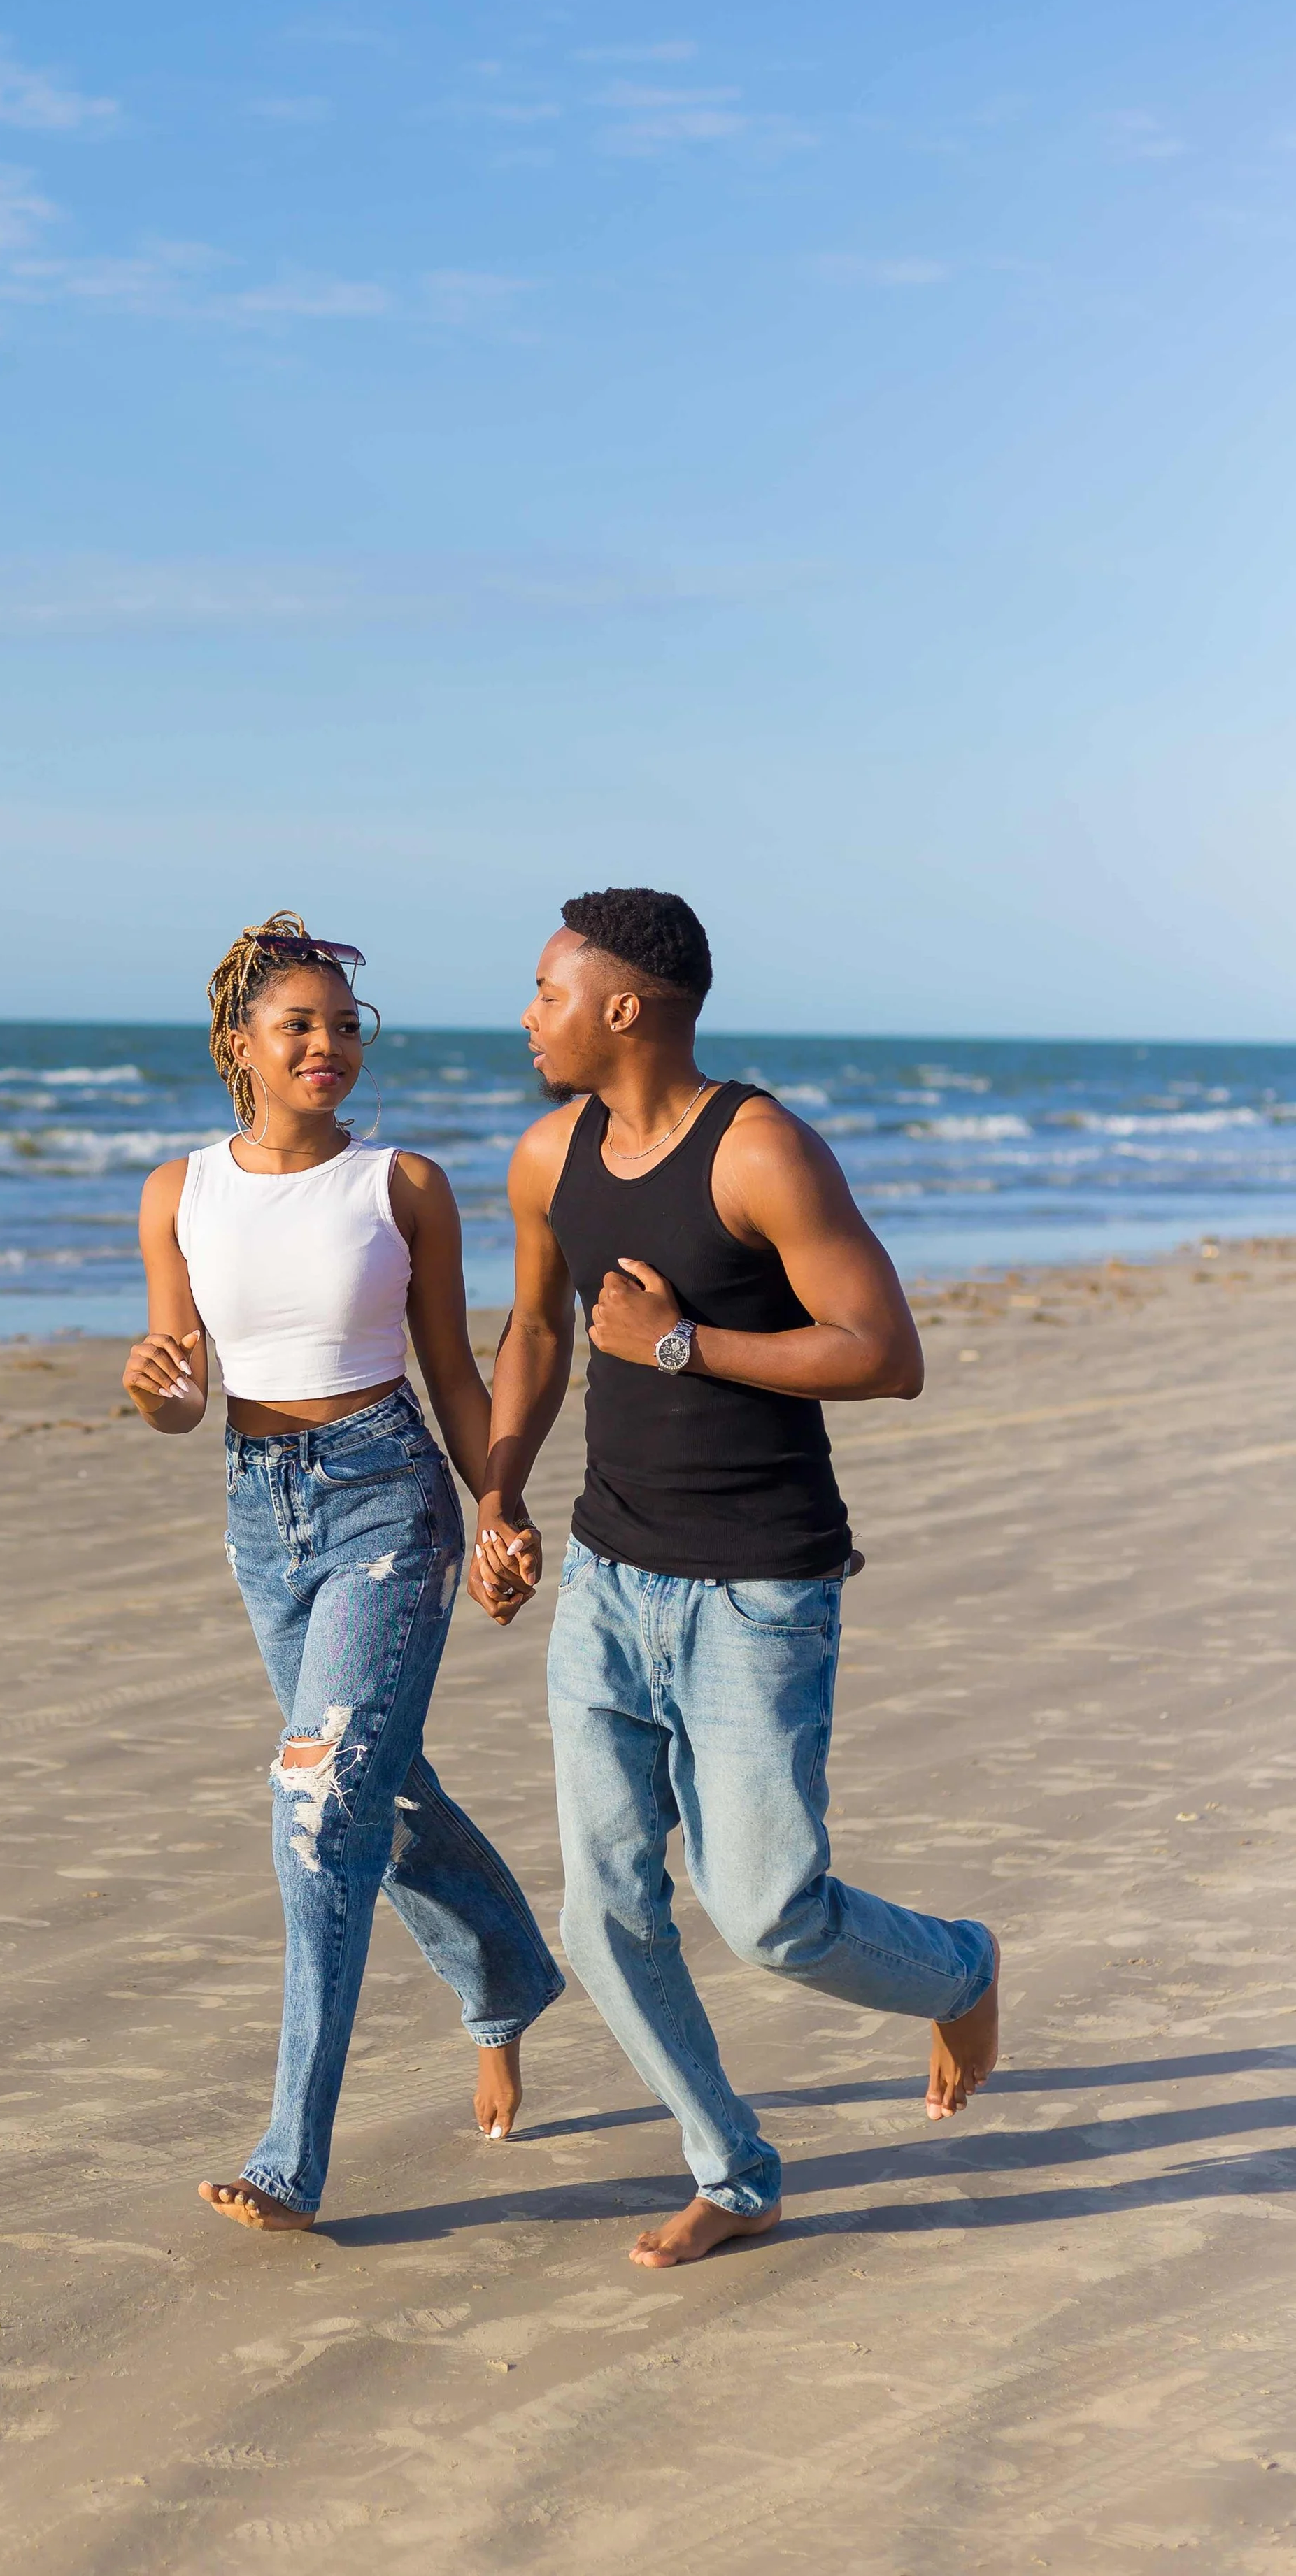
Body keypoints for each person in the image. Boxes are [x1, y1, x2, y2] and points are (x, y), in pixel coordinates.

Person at [469, 887, 999, 2268]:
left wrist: (680, 1347)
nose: (526, 1016)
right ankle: (732, 2169)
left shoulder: (760, 1152)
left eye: (545, 992)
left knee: (767, 1915)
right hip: (602, 1578)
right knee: (601, 1913)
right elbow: (529, 1328)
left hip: (758, 1593)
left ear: (622, 1007)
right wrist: (497, 1491)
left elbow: (884, 1353)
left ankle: (957, 1969)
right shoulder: (543, 1156)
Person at [125, 913, 563, 2234]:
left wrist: (499, 1502)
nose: (328, 1045)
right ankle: (506, 1986)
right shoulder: (178, 1192)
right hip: (261, 1512)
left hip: (389, 1496)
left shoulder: (402, 1184)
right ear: (240, 1044)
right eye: (299, 1025)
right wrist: (151, 1385)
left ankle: (290, 2153)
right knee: (381, 1786)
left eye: (344, 1024)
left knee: (315, 1801)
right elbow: (182, 1397)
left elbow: (454, 1370)